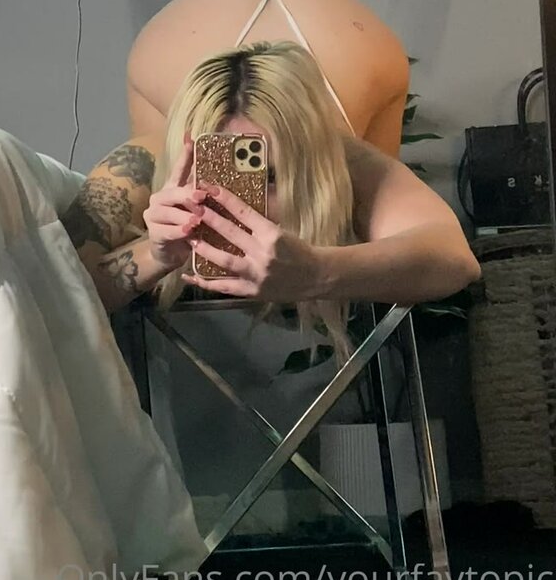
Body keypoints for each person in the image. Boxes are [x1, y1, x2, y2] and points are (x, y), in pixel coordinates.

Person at [62, 35, 481, 358]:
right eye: (217, 176)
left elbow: (456, 259)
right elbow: (59, 291)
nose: (243, 204)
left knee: (362, 59)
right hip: (174, 49)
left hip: (340, 52)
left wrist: (319, 271)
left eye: (271, 177)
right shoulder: (142, 164)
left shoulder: (344, 161)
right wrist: (156, 254)